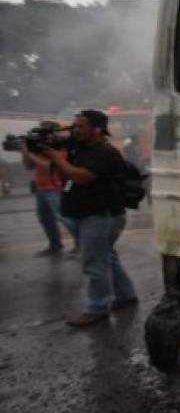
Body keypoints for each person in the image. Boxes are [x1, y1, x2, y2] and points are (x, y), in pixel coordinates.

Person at [40, 110, 138, 327]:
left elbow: (82, 177)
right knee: (106, 257)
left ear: (97, 129)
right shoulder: (80, 150)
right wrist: (46, 156)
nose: (75, 129)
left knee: (95, 262)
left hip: (101, 216)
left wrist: (57, 158)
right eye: (74, 125)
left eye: (81, 126)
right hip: (88, 214)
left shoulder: (105, 152)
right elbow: (65, 173)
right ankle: (125, 295)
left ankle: (97, 308)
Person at [19, 121, 71, 256]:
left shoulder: (60, 146)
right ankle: (55, 245)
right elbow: (28, 166)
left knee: (64, 217)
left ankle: (81, 244)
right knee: (45, 219)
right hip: (41, 188)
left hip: (56, 187)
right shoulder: (38, 148)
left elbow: (51, 167)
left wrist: (32, 155)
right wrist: (25, 152)